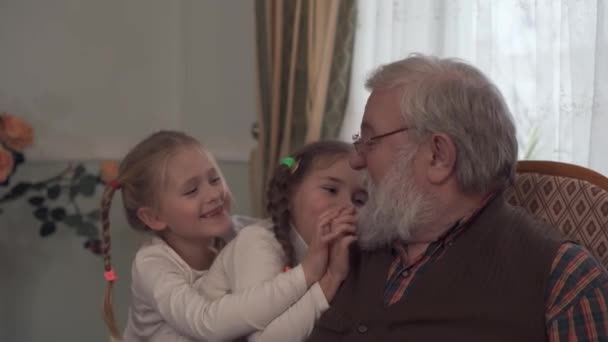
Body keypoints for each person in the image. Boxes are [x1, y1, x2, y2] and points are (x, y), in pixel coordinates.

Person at [308, 54, 608, 341]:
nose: (355, 161)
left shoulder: (564, 281)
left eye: (370, 141)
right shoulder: (346, 248)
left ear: (438, 156)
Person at [100, 130, 347, 341]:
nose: (213, 194)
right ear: (154, 217)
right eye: (192, 190)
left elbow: (284, 236)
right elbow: (207, 324)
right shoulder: (152, 264)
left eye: (214, 179)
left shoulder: (241, 235)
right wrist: (306, 274)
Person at [199, 141, 367, 341]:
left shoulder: (343, 255)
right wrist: (331, 279)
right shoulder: (258, 241)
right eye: (331, 190)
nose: (347, 206)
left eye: (359, 200)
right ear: (290, 193)